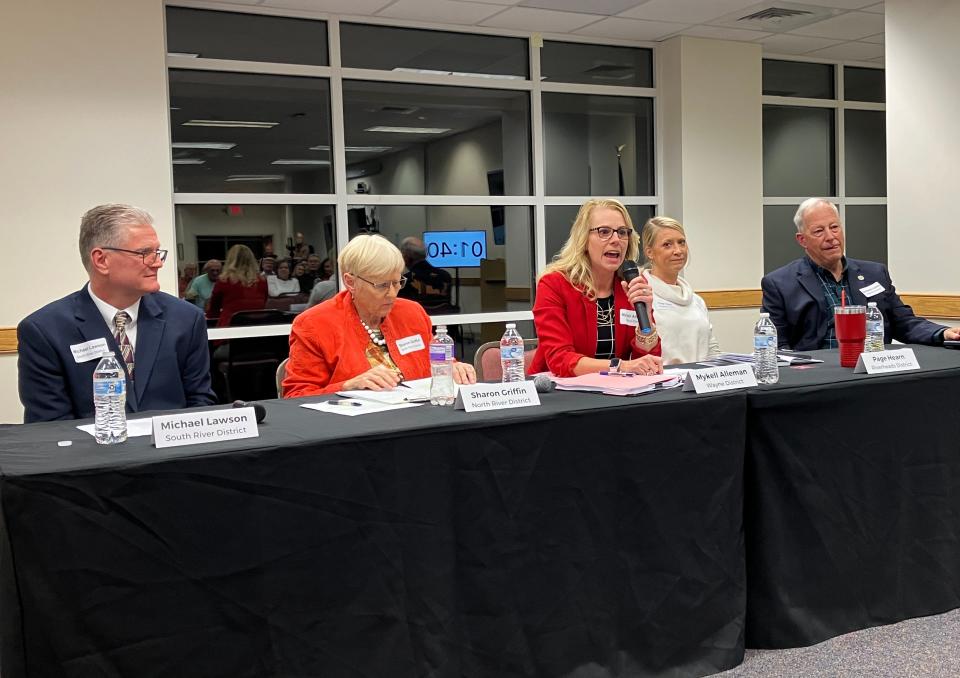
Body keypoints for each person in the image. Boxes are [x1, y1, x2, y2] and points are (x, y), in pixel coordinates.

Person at [17, 204, 215, 422]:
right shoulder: (45, 331)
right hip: (93, 454)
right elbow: (51, 429)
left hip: (174, 453)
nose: (157, 263)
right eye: (145, 253)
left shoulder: (186, 319)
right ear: (101, 260)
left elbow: (200, 405)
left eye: (157, 252)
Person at [283, 234, 477, 396]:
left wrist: (454, 367)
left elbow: (437, 360)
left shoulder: (412, 313)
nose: (392, 293)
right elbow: (296, 395)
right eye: (382, 285)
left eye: (397, 282)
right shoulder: (314, 324)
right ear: (350, 282)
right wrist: (347, 386)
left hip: (418, 419)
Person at [761, 198, 960, 350]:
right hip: (817, 378)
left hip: (871, 373)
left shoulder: (875, 273)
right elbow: (776, 347)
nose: (831, 237)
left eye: (834, 227)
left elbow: (904, 322)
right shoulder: (779, 284)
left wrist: (942, 332)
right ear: (802, 240)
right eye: (819, 231)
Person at [529, 199, 663, 377]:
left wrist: (646, 325)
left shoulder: (632, 285)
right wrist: (620, 366)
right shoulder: (554, 284)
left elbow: (646, 361)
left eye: (622, 232)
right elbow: (560, 359)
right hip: (556, 392)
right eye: (604, 232)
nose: (616, 240)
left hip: (617, 392)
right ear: (583, 239)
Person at [639, 217, 721, 364]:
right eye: (667, 245)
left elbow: (711, 348)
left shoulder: (696, 301)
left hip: (700, 381)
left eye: (681, 242)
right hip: (663, 382)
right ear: (650, 252)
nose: (678, 251)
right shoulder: (641, 298)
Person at [207, 244, 268, 327]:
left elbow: (213, 310)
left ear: (230, 260)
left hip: (230, 330)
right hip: (258, 328)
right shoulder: (262, 280)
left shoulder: (224, 280)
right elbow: (263, 303)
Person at [398, 237, 453, 306]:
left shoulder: (404, 280)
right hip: (443, 315)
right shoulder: (445, 276)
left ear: (406, 257)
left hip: (416, 316)